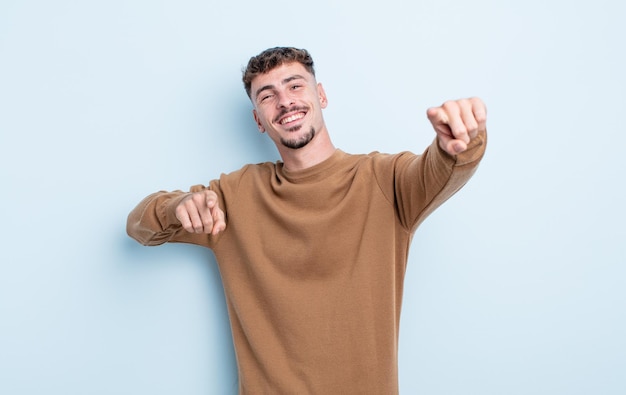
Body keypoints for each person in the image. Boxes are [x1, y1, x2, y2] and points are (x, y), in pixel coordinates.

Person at [127, 46, 487, 394]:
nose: (284, 101)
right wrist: (177, 206)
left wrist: (463, 138)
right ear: (258, 120)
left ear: (321, 95)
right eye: (266, 96)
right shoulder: (234, 196)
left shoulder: (384, 179)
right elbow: (139, 224)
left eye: (295, 85)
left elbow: (440, 169)